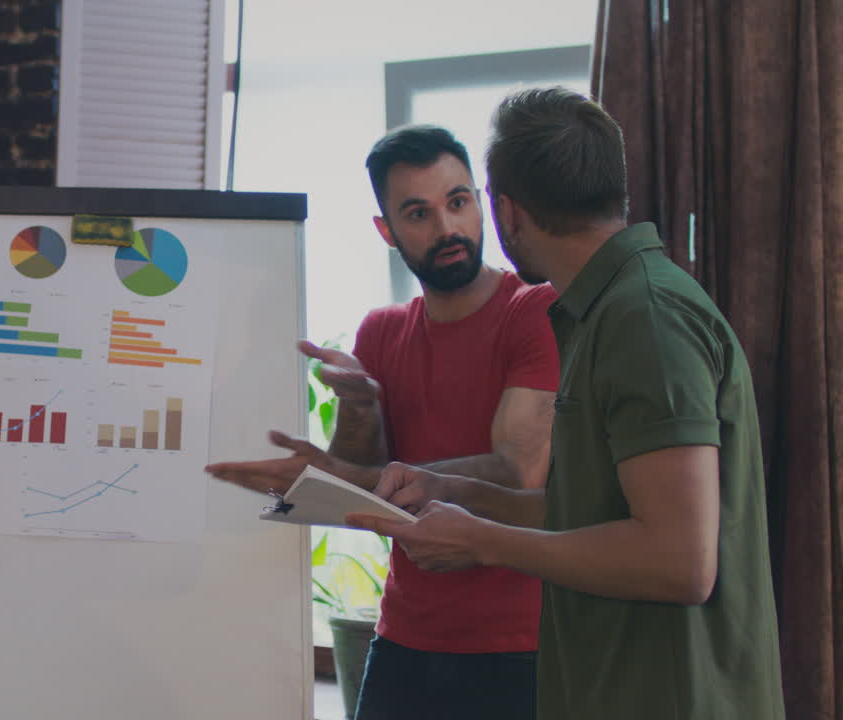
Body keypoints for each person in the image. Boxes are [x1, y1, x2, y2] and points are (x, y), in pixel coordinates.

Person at [346, 87, 786, 719]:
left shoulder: (644, 319)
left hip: (667, 695)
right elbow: (596, 508)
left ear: (504, 211)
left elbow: (679, 560)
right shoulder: (603, 311)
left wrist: (485, 542)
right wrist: (458, 493)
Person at [207, 125, 560, 720]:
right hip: (405, 638)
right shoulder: (381, 330)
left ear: (480, 203)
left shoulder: (534, 308)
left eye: (458, 201)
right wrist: (361, 406)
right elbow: (363, 481)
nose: (447, 228)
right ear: (386, 231)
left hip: (520, 644)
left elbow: (519, 470)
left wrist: (359, 475)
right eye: (418, 213)